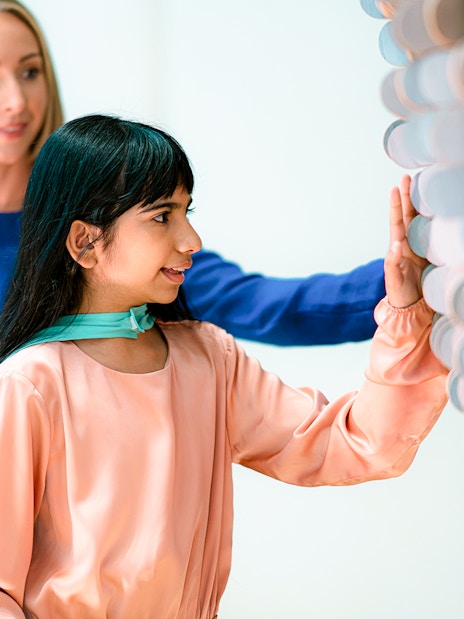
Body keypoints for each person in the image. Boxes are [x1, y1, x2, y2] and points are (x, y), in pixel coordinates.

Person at [0, 114, 448, 619]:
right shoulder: (29, 384)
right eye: (161, 216)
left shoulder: (210, 361)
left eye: (187, 211)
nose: (191, 239)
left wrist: (407, 314)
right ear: (85, 242)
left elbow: (355, 444)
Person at [0, 0, 386, 347]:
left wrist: (403, 280)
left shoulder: (100, 205)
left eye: (30, 71)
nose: (17, 101)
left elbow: (257, 304)